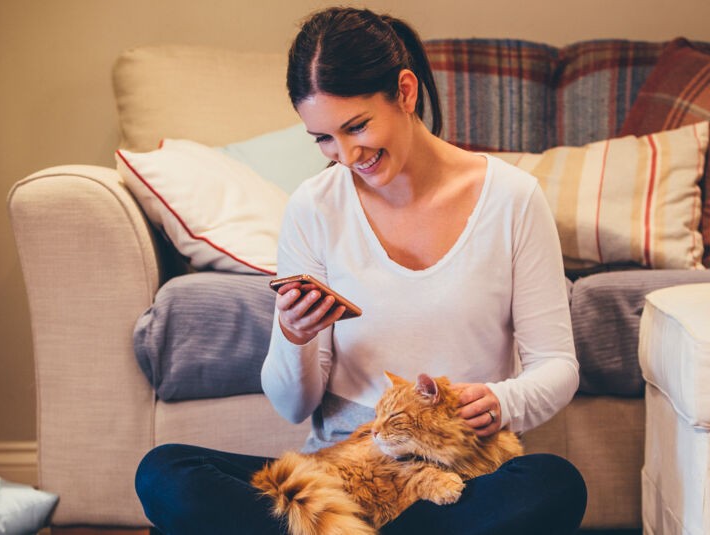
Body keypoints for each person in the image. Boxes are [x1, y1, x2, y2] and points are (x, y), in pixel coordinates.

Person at [136, 7, 587, 534]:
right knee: (166, 473)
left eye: (357, 126)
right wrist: (293, 334)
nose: (346, 155)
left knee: (553, 483)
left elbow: (557, 364)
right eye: (324, 138)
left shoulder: (512, 199)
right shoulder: (313, 207)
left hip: (451, 478)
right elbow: (292, 405)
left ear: (405, 91)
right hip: (342, 476)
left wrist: (503, 400)